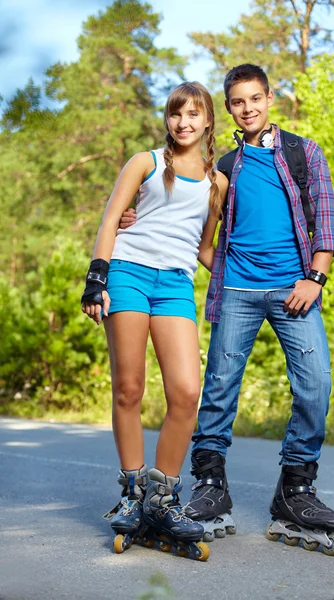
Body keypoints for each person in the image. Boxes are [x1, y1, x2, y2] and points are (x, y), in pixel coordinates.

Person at [120, 64, 334, 555]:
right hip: (237, 291)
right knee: (218, 390)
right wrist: (134, 217)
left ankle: (296, 488)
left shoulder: (302, 152)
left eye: (255, 99)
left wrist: (315, 277)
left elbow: (325, 219)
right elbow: (191, 226)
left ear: (269, 97)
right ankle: (209, 484)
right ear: (228, 109)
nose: (248, 108)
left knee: (316, 383)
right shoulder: (221, 169)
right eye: (238, 102)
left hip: (295, 290)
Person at [81, 81, 228, 561]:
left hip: (176, 286)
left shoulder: (217, 182)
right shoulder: (145, 162)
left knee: (186, 391)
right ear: (167, 119)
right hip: (127, 274)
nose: (184, 123)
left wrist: (247, 281)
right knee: (129, 387)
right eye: (175, 114)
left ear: (208, 120)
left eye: (193, 115)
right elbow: (110, 219)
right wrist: (95, 278)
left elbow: (206, 247)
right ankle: (131, 489)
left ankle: (161, 499)